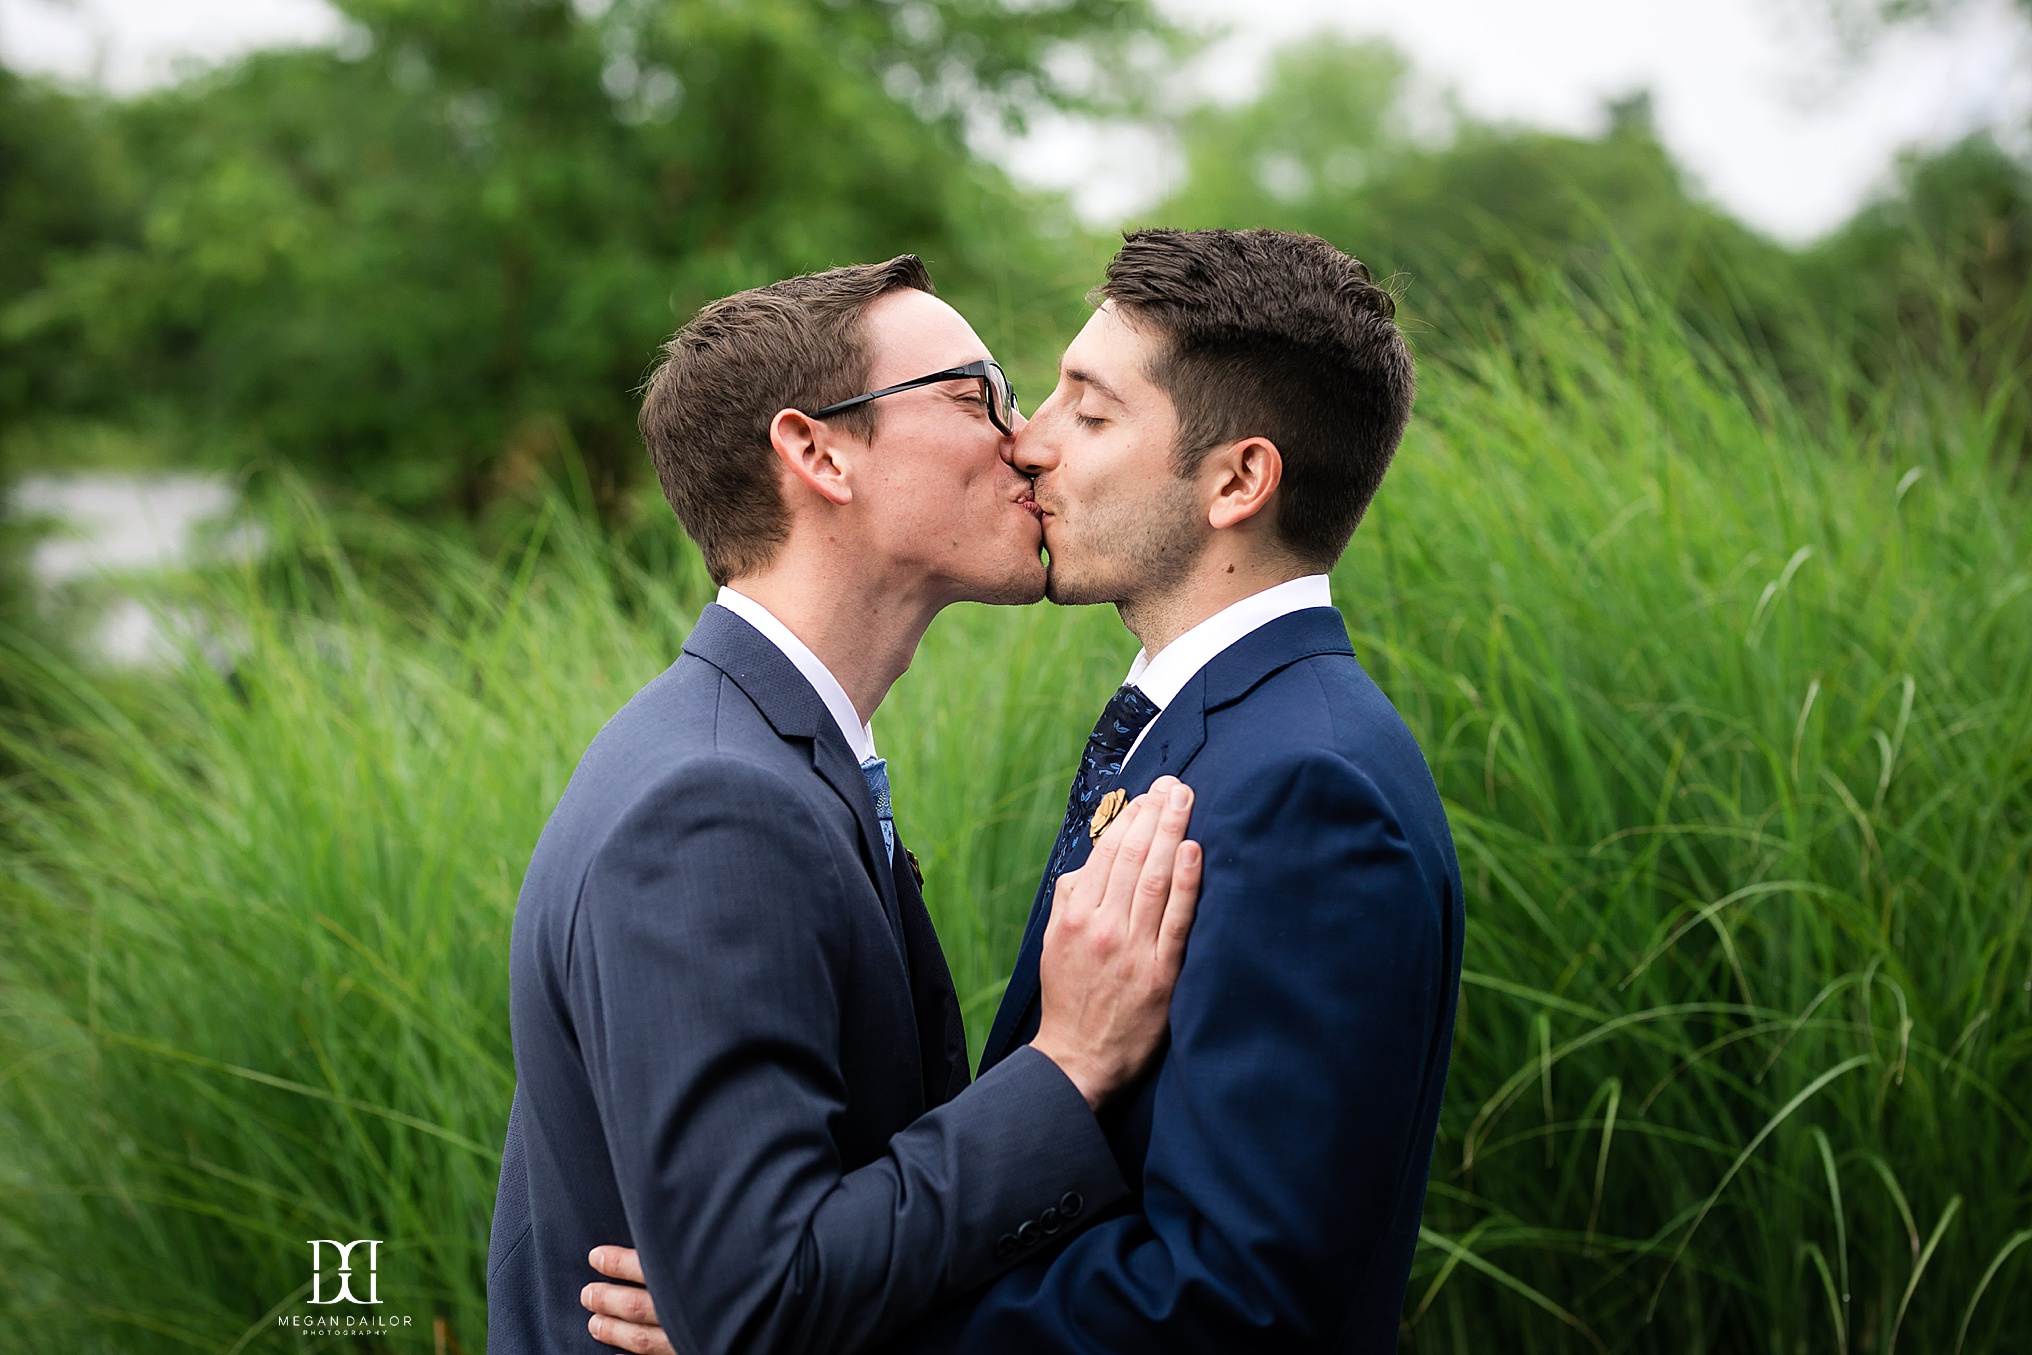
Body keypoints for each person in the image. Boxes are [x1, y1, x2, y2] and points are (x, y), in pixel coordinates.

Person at [580, 228, 1465, 1353]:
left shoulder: (1303, 784)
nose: (1029, 442)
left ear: (1237, 479)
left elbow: (1238, 1299)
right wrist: (780, 1284)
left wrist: (799, 1316)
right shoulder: (1217, 735)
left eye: (1088, 413)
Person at [486, 254, 1207, 1355]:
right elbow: (760, 1298)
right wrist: (1067, 1066)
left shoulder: (767, 757)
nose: (1026, 439)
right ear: (817, 450)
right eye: (978, 396)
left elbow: (745, 1289)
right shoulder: (711, 804)